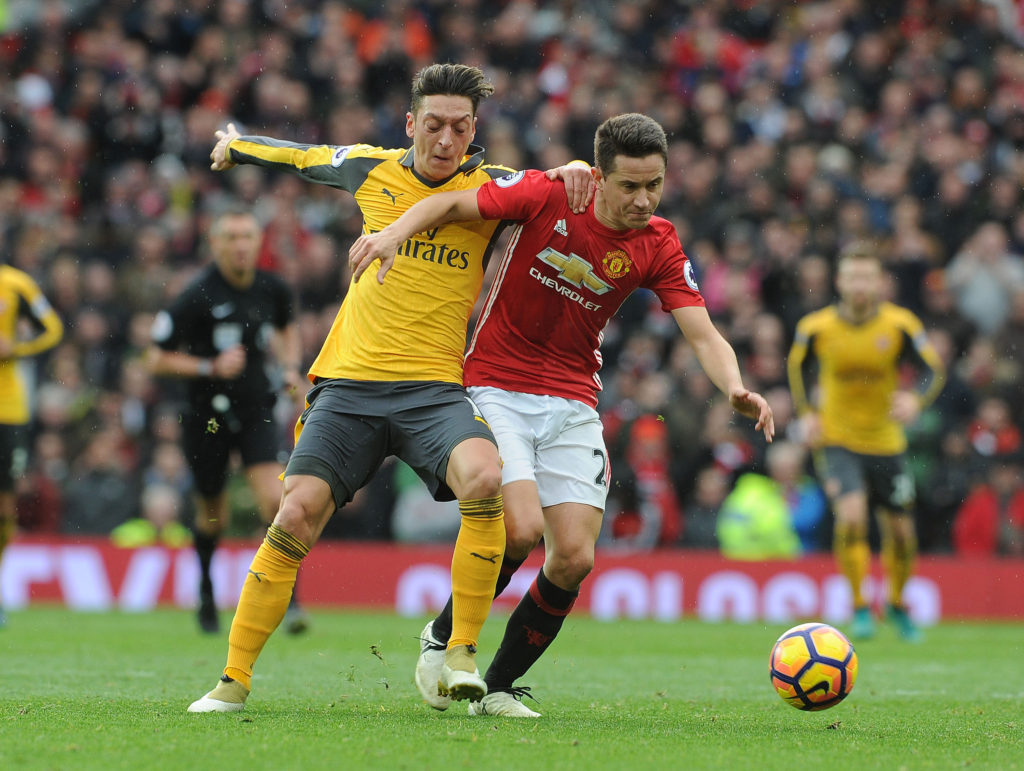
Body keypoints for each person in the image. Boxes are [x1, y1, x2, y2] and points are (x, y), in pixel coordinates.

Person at [187, 63, 592, 713]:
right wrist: (236, 145)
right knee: (293, 514)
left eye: (460, 128)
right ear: (410, 124)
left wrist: (575, 165)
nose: (444, 140)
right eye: (432, 124)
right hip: (349, 383)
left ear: (473, 130)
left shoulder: (491, 188)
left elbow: (554, 184)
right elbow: (301, 156)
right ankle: (233, 680)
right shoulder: (372, 167)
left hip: (433, 389)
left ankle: (458, 650)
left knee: (484, 477)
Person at [349, 112, 774, 717]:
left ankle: (494, 689)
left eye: (654, 184)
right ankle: (443, 637)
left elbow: (703, 334)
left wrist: (734, 386)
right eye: (629, 185)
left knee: (574, 558)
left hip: (573, 399)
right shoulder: (549, 193)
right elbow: (448, 205)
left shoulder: (658, 240)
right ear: (597, 177)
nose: (643, 198)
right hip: (496, 385)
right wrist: (391, 234)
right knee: (519, 528)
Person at [147, 208, 309, 635]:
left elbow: (287, 329)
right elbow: (155, 356)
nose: (240, 245)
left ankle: (290, 600)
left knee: (276, 502)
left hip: (256, 410)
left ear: (259, 243)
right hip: (208, 418)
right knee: (212, 512)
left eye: (248, 237)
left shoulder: (272, 288)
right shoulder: (196, 294)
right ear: (215, 244)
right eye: (231, 237)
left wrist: (291, 369)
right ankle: (205, 593)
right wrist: (209, 367)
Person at [787, 243, 945, 642]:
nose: (860, 284)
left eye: (867, 277)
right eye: (853, 276)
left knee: (902, 533)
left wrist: (915, 398)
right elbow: (798, 369)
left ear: (879, 283)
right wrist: (807, 415)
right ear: (839, 281)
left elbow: (932, 370)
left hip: (887, 441)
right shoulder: (816, 328)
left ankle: (896, 602)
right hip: (838, 439)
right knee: (853, 516)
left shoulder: (901, 324)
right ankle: (859, 606)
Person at [0, 261, 63, 627]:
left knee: (5, 507)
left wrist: (17, 346)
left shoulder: (15, 283)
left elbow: (51, 328)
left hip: (7, 410)